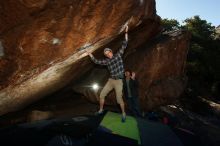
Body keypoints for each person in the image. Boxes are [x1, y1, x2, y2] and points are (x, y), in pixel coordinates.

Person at [86, 25, 129, 122]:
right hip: (111, 80)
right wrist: (90, 54)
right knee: (102, 95)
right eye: (106, 54)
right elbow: (96, 61)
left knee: (119, 100)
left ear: (111, 51)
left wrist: (126, 32)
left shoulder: (118, 55)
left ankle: (123, 113)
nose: (107, 54)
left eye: (108, 52)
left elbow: (125, 44)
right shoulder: (106, 61)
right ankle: (101, 110)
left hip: (118, 81)